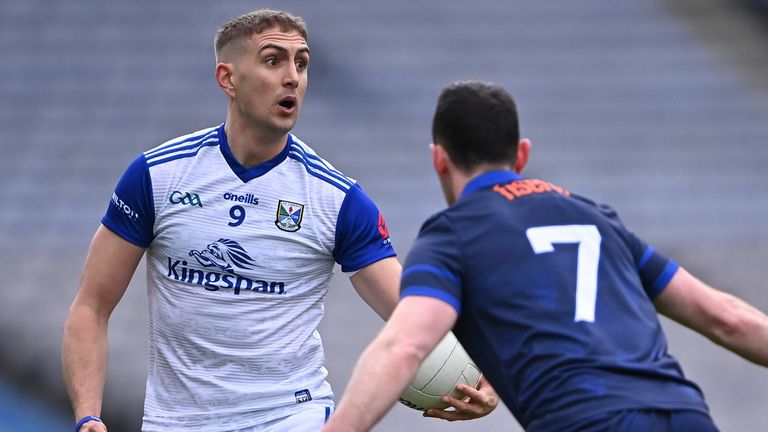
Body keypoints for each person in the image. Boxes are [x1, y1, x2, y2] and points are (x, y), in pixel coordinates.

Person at [61, 10, 498, 432]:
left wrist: (492, 380)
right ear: (228, 78)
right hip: (176, 420)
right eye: (274, 60)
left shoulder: (337, 198)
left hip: (291, 416)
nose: (293, 76)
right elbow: (91, 307)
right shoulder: (156, 176)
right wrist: (88, 416)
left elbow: (415, 311)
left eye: (301, 63)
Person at [322, 80, 768, 432]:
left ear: (439, 159)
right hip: (684, 414)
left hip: (584, 420)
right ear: (522, 154)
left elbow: (405, 344)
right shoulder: (596, 219)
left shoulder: (451, 236)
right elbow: (728, 318)